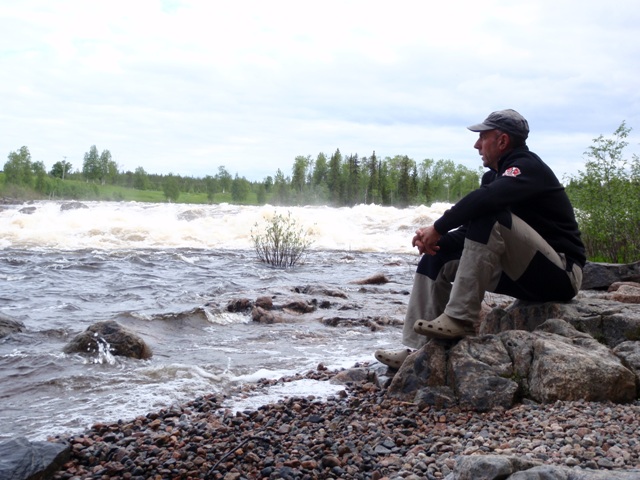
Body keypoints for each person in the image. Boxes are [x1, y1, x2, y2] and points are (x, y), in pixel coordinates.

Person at [375, 109, 585, 369]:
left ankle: (460, 318)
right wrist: (436, 241)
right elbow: (471, 235)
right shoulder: (494, 178)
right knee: (437, 256)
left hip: (561, 275)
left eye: (482, 137)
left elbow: (486, 203)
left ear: (502, 141)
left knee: (489, 212)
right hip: (524, 275)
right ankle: (416, 349)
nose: (476, 145)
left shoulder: (528, 167)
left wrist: (438, 227)